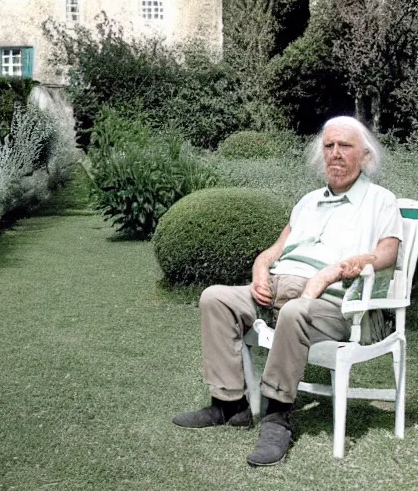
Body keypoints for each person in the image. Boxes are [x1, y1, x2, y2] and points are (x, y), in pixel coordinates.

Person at [172, 116, 403, 467]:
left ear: (366, 156)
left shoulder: (380, 201)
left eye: (345, 146)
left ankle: (278, 415)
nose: (335, 154)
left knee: (296, 310)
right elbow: (275, 249)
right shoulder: (308, 202)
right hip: (279, 288)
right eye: (329, 146)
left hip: (333, 304)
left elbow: (388, 253)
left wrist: (336, 270)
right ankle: (229, 405)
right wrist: (260, 269)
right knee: (215, 297)